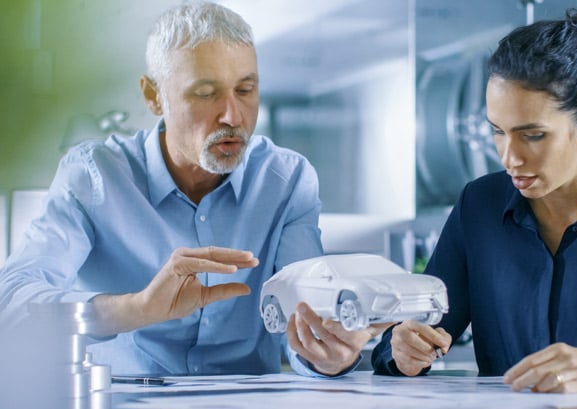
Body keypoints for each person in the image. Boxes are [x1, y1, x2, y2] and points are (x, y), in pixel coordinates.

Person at [0, 2, 377, 377]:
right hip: (121, 406)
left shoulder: (287, 180)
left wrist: (328, 356)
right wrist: (138, 307)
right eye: (204, 93)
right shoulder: (95, 175)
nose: (232, 116)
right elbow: (13, 302)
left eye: (245, 90)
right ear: (153, 96)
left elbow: (303, 316)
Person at [372, 9, 577, 393]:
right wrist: (401, 348)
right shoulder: (479, 204)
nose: (509, 157)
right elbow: (422, 326)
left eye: (533, 135)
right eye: (497, 132)